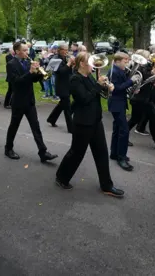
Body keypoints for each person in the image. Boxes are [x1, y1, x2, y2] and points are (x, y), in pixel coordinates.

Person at [55, 52, 125, 198]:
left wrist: (107, 87)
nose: (93, 63)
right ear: (82, 63)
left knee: (102, 153)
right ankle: (61, 177)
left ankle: (107, 185)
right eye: (90, 61)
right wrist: (99, 86)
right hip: (83, 123)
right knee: (76, 153)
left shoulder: (89, 77)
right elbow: (84, 99)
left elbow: (98, 94)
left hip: (95, 121)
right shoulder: (75, 79)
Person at [4, 41, 58, 163]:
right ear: (17, 51)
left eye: (27, 50)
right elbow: (16, 82)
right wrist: (30, 72)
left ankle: (43, 152)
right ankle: (8, 149)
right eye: (24, 50)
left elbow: (32, 80)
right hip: (18, 101)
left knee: (36, 127)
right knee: (14, 126)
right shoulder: (11, 64)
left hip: (29, 100)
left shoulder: (28, 61)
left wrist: (39, 73)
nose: (27, 52)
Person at [127, 50, 155, 151]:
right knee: (138, 119)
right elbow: (140, 79)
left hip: (145, 98)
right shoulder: (138, 67)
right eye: (148, 57)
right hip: (139, 98)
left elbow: (148, 81)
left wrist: (154, 80)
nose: (149, 59)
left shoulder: (148, 66)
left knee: (139, 119)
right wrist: (151, 75)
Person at [108, 52, 140, 171]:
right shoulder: (114, 72)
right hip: (116, 104)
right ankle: (121, 157)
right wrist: (131, 81)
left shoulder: (119, 70)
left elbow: (123, 86)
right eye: (125, 60)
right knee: (124, 130)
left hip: (119, 103)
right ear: (117, 61)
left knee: (117, 129)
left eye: (127, 59)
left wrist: (133, 87)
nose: (127, 61)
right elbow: (116, 89)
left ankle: (114, 153)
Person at [46, 43, 75, 132]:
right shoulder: (55, 59)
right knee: (67, 108)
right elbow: (60, 72)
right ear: (60, 50)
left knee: (62, 105)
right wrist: (69, 63)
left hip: (67, 84)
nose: (66, 52)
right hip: (61, 86)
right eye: (65, 50)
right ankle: (71, 128)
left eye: (67, 50)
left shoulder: (64, 58)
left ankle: (51, 119)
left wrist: (72, 65)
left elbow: (68, 71)